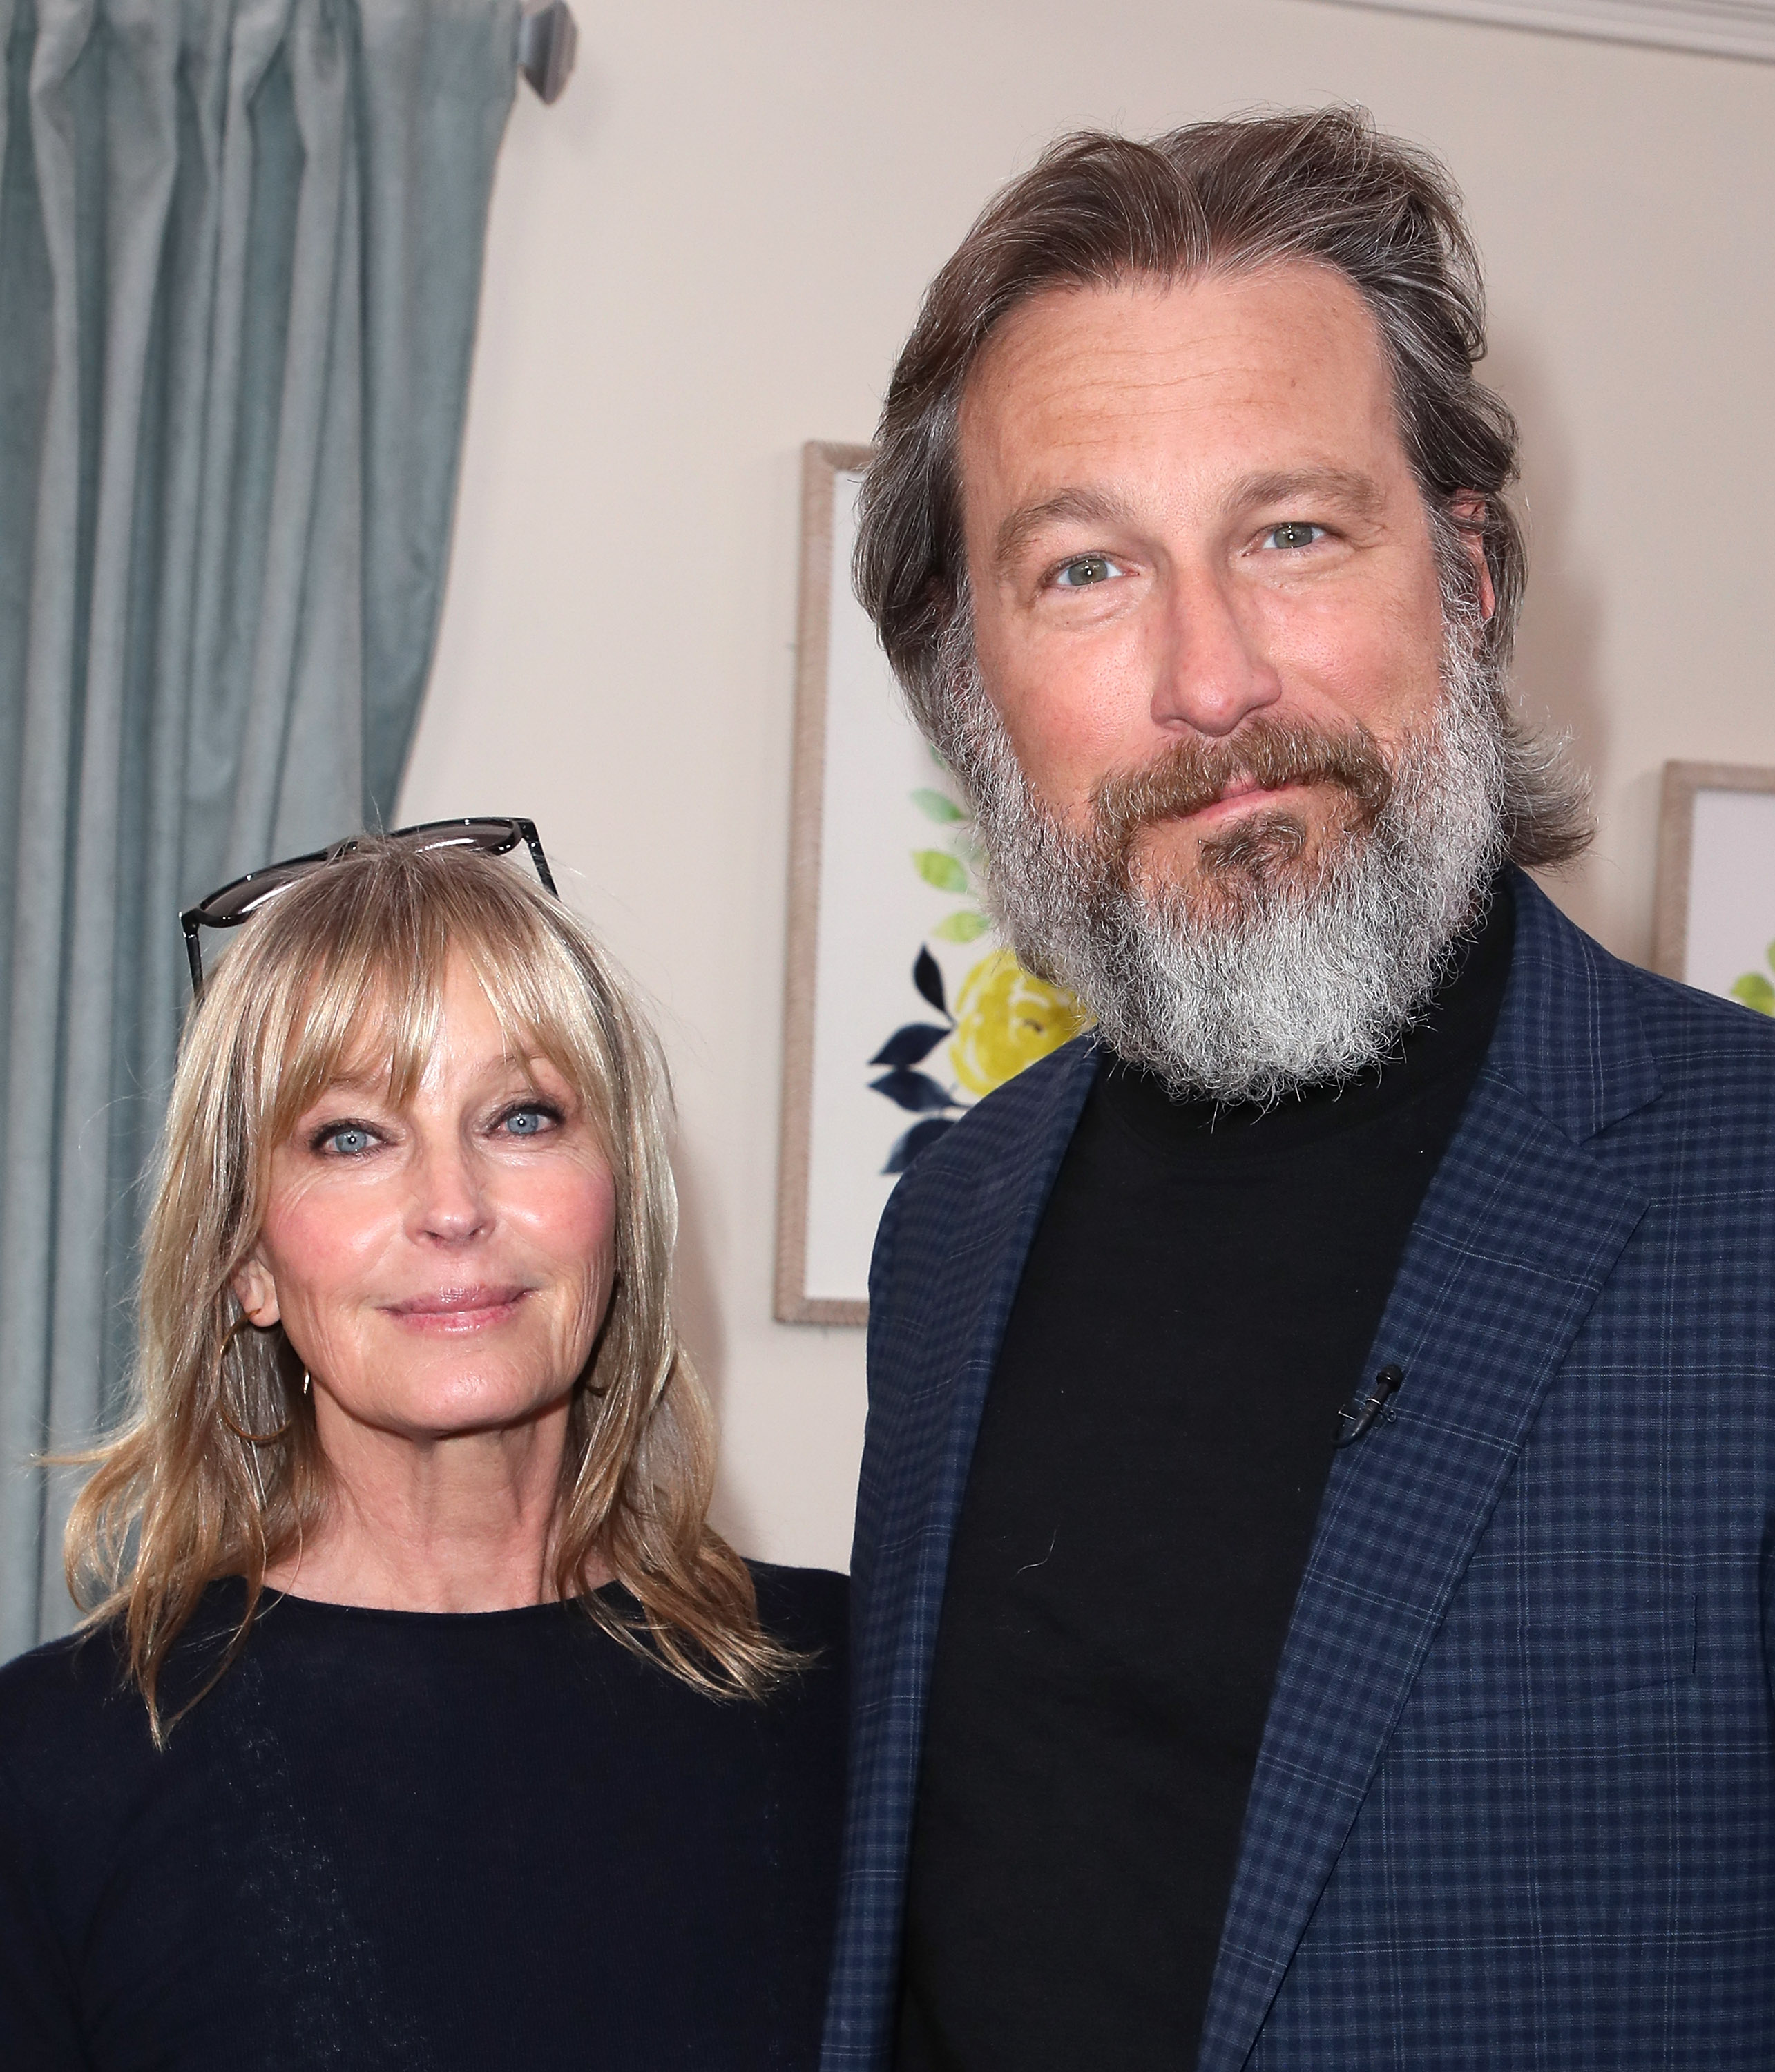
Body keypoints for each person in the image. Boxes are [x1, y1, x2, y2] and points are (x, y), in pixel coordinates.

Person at [822, 108, 1775, 2072]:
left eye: (1293, 532)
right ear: (969, 688)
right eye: (1087, 571)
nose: (1212, 677)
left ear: (1472, 574)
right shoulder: (955, 1225)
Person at [0, 824, 846, 2071]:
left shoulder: (849, 1694)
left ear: (616, 1209)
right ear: (246, 1262)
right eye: (351, 1136)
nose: (452, 1206)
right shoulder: (48, 1767)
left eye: (521, 1116)